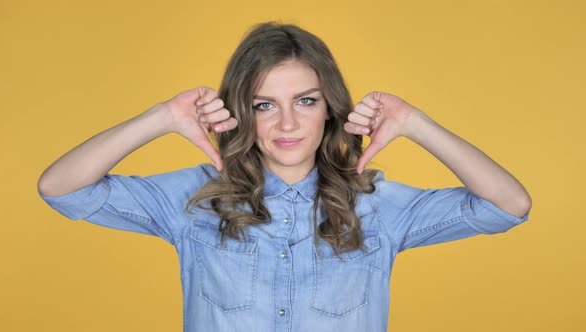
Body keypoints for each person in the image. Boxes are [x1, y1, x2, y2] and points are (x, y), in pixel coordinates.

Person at [37, 21, 532, 332]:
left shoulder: (377, 205)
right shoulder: (195, 199)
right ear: (241, 112)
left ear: (329, 108)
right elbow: (60, 188)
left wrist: (414, 124)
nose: (288, 124)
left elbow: (508, 205)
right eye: (264, 105)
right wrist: (162, 117)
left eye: (306, 101)